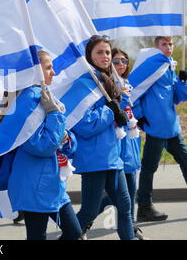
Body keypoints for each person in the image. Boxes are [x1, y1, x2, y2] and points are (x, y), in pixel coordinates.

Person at [7, 50, 82, 240]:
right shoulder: (26, 101)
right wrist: (55, 115)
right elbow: (41, 146)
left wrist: (66, 138)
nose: (54, 72)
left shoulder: (45, 95)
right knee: (37, 236)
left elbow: (66, 141)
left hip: (52, 183)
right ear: (35, 71)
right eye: (49, 67)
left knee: (74, 233)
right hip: (34, 184)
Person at [71, 35, 135, 240]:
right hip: (94, 158)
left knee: (125, 207)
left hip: (113, 156)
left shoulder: (110, 82)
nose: (105, 56)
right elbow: (84, 125)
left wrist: (120, 111)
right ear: (89, 56)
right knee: (89, 212)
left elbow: (118, 120)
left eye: (107, 52)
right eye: (99, 52)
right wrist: (110, 111)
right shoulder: (84, 83)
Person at [81, 48, 147, 240]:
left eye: (124, 61)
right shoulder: (104, 88)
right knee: (116, 201)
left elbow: (132, 114)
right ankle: (80, 225)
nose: (120, 65)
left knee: (124, 200)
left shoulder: (126, 85)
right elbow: (104, 118)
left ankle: (127, 232)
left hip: (131, 150)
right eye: (116, 61)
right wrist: (120, 100)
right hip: (118, 151)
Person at [131, 36, 187, 222]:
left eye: (170, 44)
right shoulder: (152, 64)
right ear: (156, 46)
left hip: (172, 126)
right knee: (149, 168)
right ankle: (144, 207)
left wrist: (183, 82)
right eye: (164, 44)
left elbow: (178, 97)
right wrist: (140, 116)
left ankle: (144, 207)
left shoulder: (169, 65)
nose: (168, 47)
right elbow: (133, 90)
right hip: (155, 127)